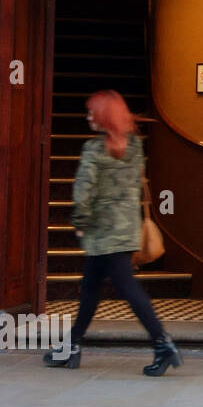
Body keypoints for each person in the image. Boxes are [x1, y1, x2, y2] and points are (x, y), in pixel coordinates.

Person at [44, 90, 182, 376]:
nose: (88, 116)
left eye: (92, 111)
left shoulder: (93, 150)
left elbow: (84, 191)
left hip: (101, 231)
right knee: (90, 287)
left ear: (103, 118)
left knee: (127, 288)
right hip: (126, 227)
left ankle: (163, 344)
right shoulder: (134, 147)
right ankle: (70, 345)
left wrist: (80, 221)